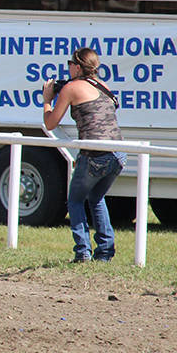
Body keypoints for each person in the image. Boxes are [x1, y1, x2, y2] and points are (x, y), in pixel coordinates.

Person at [43, 47, 126, 263]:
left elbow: (51, 123)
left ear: (78, 67)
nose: (68, 67)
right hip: (118, 154)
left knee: (75, 201)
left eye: (70, 63)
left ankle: (82, 253)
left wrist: (46, 100)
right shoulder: (103, 86)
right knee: (96, 198)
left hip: (95, 154)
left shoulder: (71, 88)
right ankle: (105, 252)